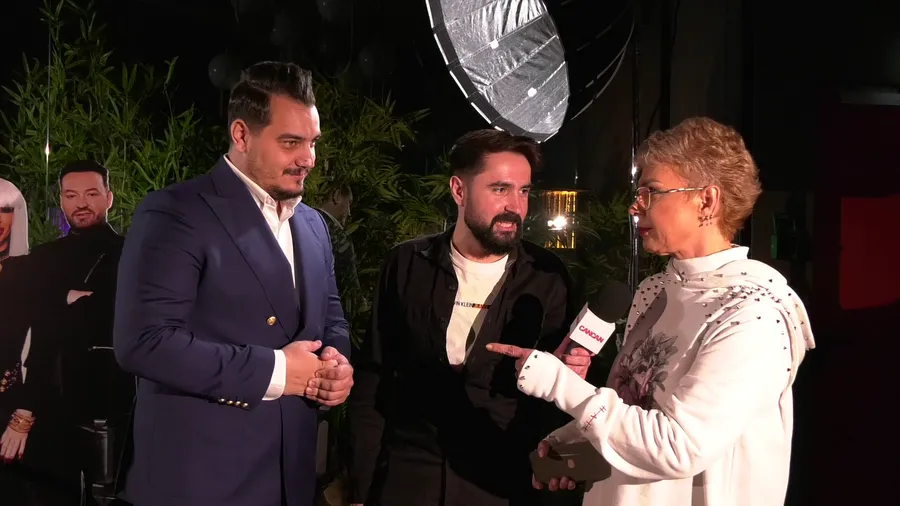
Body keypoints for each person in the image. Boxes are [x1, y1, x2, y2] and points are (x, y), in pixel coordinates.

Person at [488, 117, 816, 506]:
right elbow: (634, 410)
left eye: (652, 192)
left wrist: (560, 383)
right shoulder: (655, 290)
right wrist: (577, 440)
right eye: (638, 192)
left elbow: (679, 447)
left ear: (707, 200)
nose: (635, 207)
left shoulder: (751, 314)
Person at [113, 61, 353, 506]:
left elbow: (331, 317)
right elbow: (143, 342)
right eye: (291, 142)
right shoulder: (175, 212)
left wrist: (336, 364)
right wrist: (278, 372)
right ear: (241, 135)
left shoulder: (315, 226)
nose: (308, 159)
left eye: (312, 142)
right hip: (201, 483)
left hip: (294, 479)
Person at [346, 129, 594, 506]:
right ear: (459, 190)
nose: (515, 206)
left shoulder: (547, 276)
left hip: (502, 485)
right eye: (500, 189)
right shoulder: (407, 264)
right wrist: (361, 488)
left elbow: (554, 403)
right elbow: (374, 378)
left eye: (524, 191)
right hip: (408, 479)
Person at [0, 163, 132, 504]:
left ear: (109, 198)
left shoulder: (132, 254)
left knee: (107, 495)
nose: (81, 203)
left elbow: (114, 315)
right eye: (71, 195)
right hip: (47, 403)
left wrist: (56, 303)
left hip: (108, 402)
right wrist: (66, 300)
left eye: (91, 194)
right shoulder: (42, 257)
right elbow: (31, 322)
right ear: (61, 200)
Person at [314, 183, 359, 296]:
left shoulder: (293, 222)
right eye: (348, 204)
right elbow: (349, 291)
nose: (349, 213)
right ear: (336, 196)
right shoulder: (339, 238)